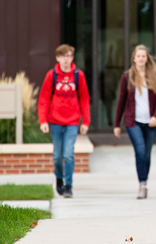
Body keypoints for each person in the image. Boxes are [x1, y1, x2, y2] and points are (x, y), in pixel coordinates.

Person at [38, 44, 91, 198]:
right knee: (57, 156)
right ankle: (59, 178)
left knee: (68, 154)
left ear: (72, 58)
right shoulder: (51, 75)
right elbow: (44, 99)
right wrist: (43, 121)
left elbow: (85, 99)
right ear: (58, 58)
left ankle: (68, 185)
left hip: (72, 122)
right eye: (63, 56)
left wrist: (85, 121)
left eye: (68, 56)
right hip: (54, 121)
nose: (66, 59)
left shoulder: (78, 75)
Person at [113, 44, 156, 199]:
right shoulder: (127, 76)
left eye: (144, 56)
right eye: (138, 56)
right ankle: (142, 184)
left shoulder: (154, 75)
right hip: (133, 121)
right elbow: (121, 101)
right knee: (140, 151)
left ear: (146, 58)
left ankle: (144, 181)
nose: (141, 58)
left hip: (151, 122)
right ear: (134, 59)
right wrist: (116, 124)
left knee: (147, 154)